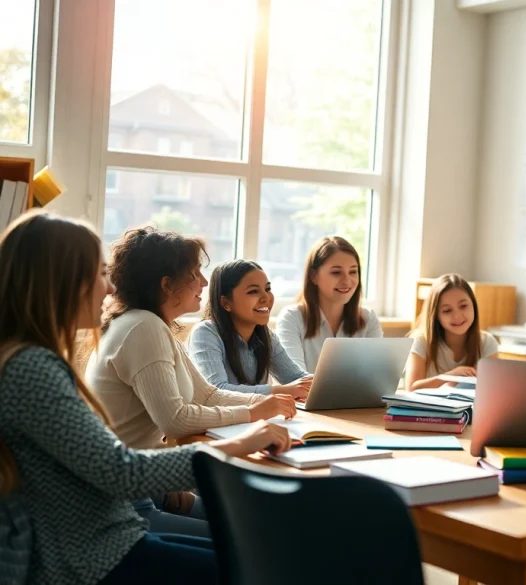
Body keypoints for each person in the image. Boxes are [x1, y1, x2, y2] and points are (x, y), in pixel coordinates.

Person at [0, 210, 293, 585]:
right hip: (95, 555)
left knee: (263, 552)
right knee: (267, 562)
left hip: (113, 533)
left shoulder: (33, 359)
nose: (109, 288)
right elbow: (121, 471)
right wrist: (240, 444)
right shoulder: (31, 368)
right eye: (99, 273)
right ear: (60, 281)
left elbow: (105, 467)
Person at [85, 227, 296, 537]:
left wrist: (263, 403)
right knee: (257, 537)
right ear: (167, 285)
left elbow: (206, 394)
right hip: (123, 503)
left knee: (260, 523)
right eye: (195, 274)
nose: (205, 282)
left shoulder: (149, 323)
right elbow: (175, 420)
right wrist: (253, 413)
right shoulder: (143, 327)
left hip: (149, 489)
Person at [188, 260, 312, 399]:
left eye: (267, 289)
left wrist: (326, 382)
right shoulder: (205, 333)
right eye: (253, 291)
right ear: (226, 303)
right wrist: (283, 391)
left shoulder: (266, 336)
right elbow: (217, 391)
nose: (266, 298)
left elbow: (296, 378)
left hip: (259, 413)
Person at [276, 236, 383, 372]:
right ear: (314, 276)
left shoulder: (368, 318)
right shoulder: (292, 318)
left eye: (353, 271)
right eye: (336, 272)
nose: (347, 280)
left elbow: (378, 374)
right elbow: (294, 378)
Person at [405, 274, 499, 390]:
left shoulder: (486, 342)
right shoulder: (421, 341)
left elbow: (494, 389)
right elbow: (411, 388)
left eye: (463, 306)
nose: (457, 316)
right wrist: (451, 376)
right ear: (436, 316)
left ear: (473, 305)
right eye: (447, 310)